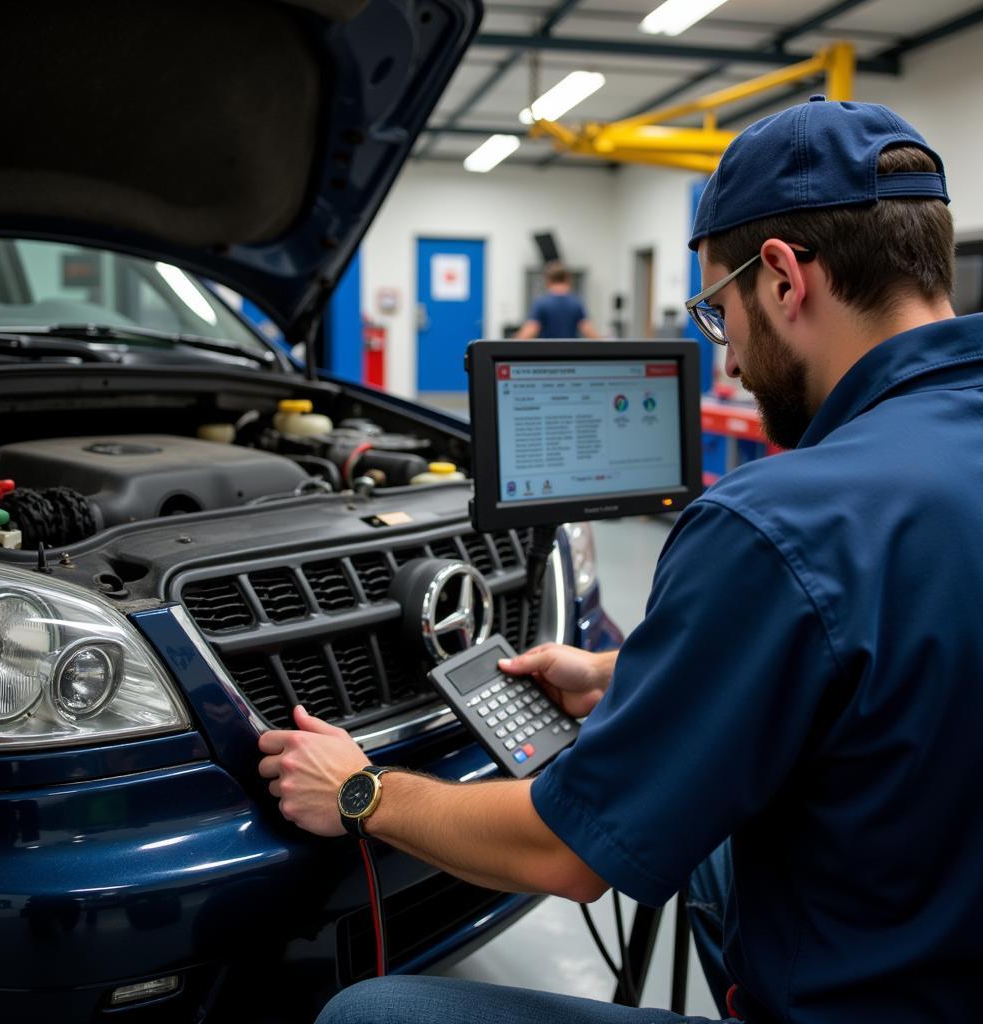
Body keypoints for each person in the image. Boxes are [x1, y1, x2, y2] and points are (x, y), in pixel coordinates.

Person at [258, 97, 983, 1024]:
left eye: (718, 314)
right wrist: (621, 672)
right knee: (721, 861)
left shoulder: (781, 522)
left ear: (783, 279)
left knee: (367, 1017)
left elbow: (568, 856)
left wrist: (360, 789)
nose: (727, 366)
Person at [515, 260, 600, 339]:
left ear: (547, 280)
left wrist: (511, 345)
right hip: (570, 352)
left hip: (548, 352)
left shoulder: (541, 303)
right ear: (567, 279)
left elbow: (530, 330)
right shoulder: (576, 303)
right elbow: (588, 330)